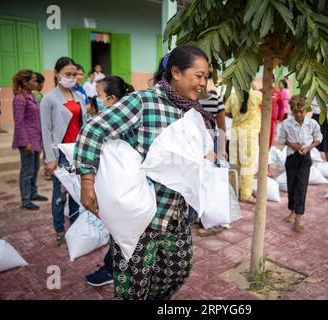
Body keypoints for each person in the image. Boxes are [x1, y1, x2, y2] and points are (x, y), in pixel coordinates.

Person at [74, 44, 214, 300]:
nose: (203, 83)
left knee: (178, 270)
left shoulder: (192, 111)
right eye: (199, 75)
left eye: (206, 77)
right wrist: (87, 182)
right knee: (134, 287)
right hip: (142, 217)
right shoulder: (143, 101)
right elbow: (94, 130)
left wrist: (206, 154)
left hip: (176, 214)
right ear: (176, 72)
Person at [84, 75, 135, 287]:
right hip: (121, 185)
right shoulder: (118, 118)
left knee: (121, 231)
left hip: (124, 186)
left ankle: (111, 269)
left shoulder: (116, 123)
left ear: (112, 99)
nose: (95, 100)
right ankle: (112, 266)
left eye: (99, 96)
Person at [40, 57, 87, 248]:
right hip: (60, 153)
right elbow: (46, 129)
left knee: (76, 192)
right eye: (67, 74)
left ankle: (75, 228)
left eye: (74, 74)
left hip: (77, 151)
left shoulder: (80, 97)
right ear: (57, 74)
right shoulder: (49, 98)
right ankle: (59, 231)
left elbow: (83, 123)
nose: (72, 78)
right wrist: (50, 158)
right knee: (60, 195)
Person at [279, 96, 322, 233]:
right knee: (291, 186)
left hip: (305, 158)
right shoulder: (286, 124)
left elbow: (318, 139)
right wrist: (293, 145)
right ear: (291, 110)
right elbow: (281, 139)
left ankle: (298, 219)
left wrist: (308, 148)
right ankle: (292, 211)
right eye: (295, 111)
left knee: (301, 187)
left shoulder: (312, 124)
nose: (298, 114)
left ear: (306, 110)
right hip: (291, 157)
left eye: (301, 111)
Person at [12, 70, 48, 210]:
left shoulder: (31, 96)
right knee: (26, 171)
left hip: (35, 139)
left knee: (34, 169)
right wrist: (25, 142)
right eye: (33, 80)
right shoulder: (20, 99)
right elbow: (18, 122)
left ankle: (33, 193)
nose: (36, 83)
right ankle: (25, 200)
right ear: (25, 82)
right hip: (27, 141)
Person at [197, 79, 226, 237]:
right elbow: (221, 127)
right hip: (203, 145)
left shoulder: (192, 100)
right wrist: (221, 150)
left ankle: (202, 219)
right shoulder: (214, 100)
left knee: (203, 182)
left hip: (204, 145)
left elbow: (221, 128)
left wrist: (221, 150)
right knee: (206, 183)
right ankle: (204, 223)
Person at [225, 81, 262, 204]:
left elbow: (226, 112)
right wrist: (256, 89)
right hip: (249, 136)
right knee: (248, 167)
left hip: (235, 134)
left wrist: (237, 117)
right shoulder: (256, 95)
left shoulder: (233, 95)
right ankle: (245, 195)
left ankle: (234, 191)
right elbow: (269, 103)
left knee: (235, 165)